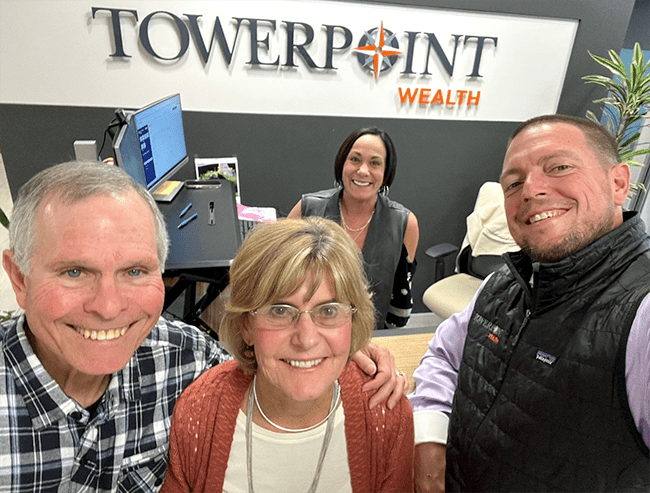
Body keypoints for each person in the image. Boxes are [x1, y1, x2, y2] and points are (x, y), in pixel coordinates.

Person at [0, 161, 406, 492]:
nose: (108, 307)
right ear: (19, 278)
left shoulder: (183, 356)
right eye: (74, 271)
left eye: (135, 270)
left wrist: (349, 348)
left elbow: (274, 353)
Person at [409, 114, 650, 492]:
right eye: (514, 182)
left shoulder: (643, 315)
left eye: (559, 167)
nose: (531, 190)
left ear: (619, 183)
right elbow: (444, 356)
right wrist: (429, 438)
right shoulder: (503, 282)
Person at [162, 217, 414, 492]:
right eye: (280, 311)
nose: (306, 339)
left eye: (328, 310)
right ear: (246, 325)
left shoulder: (385, 414)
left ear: (352, 321)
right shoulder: (199, 413)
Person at [288, 127, 419, 330]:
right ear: (342, 163)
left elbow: (400, 301)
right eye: (355, 159)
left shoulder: (404, 223)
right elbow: (279, 277)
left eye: (374, 163)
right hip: (308, 331)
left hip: (371, 338)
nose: (363, 171)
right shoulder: (307, 209)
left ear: (386, 173)